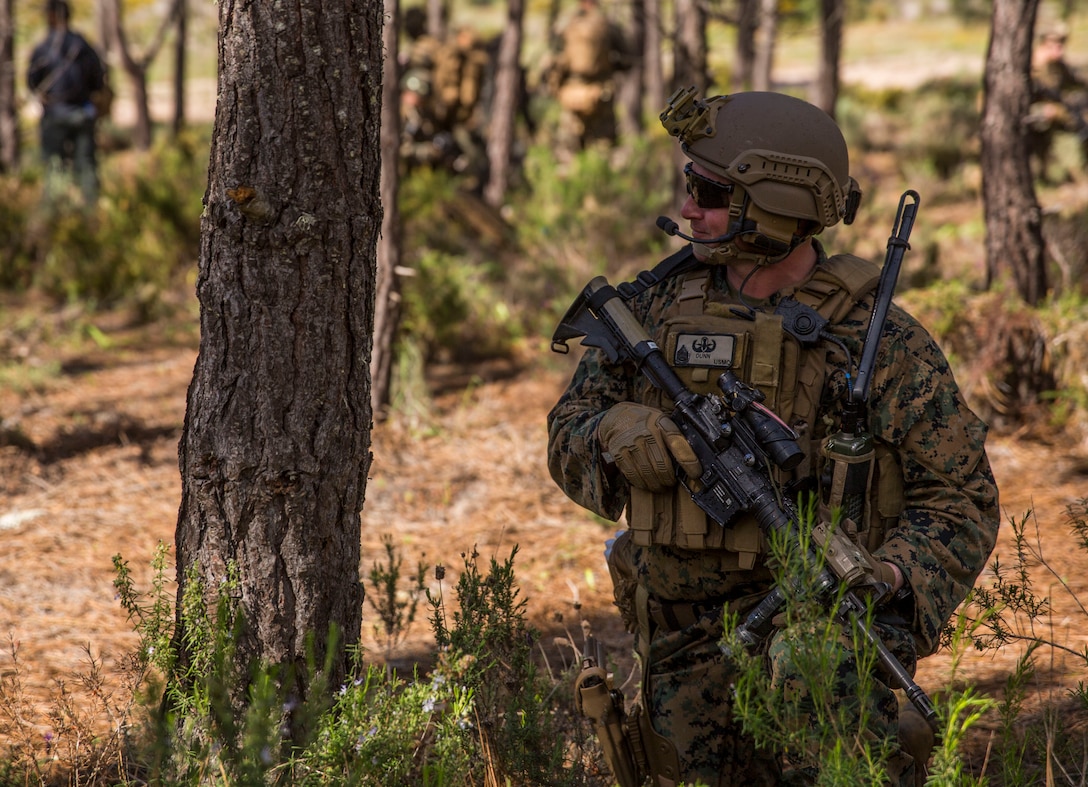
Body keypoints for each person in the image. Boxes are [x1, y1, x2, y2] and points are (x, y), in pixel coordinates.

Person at [547, 89, 1000, 786]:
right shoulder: (649, 312)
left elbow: (961, 501)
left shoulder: (876, 341)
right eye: (690, 185)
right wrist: (612, 431)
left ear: (777, 204)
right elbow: (567, 438)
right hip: (683, 640)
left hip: (822, 636)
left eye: (708, 190)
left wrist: (888, 574)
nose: (688, 208)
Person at [27, 0, 107, 208]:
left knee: (54, 167)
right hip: (83, 113)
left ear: (52, 16)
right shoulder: (83, 45)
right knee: (86, 166)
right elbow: (98, 80)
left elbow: (32, 82)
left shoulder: (43, 48)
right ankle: (92, 214)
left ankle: (54, 215)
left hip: (54, 116)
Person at [544, 0, 630, 159]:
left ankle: (569, 179)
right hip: (601, 93)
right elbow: (627, 59)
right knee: (604, 148)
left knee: (568, 150)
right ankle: (601, 179)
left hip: (572, 94)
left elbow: (552, 60)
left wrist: (556, 89)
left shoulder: (565, 23)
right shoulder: (608, 24)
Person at [1026, 20, 1088, 183]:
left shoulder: (1057, 66)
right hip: (1027, 115)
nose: (1059, 48)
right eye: (1054, 44)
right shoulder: (1029, 66)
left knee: (1073, 119)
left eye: (1061, 43)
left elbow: (1077, 83)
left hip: (1052, 115)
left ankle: (1072, 169)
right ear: (1044, 43)